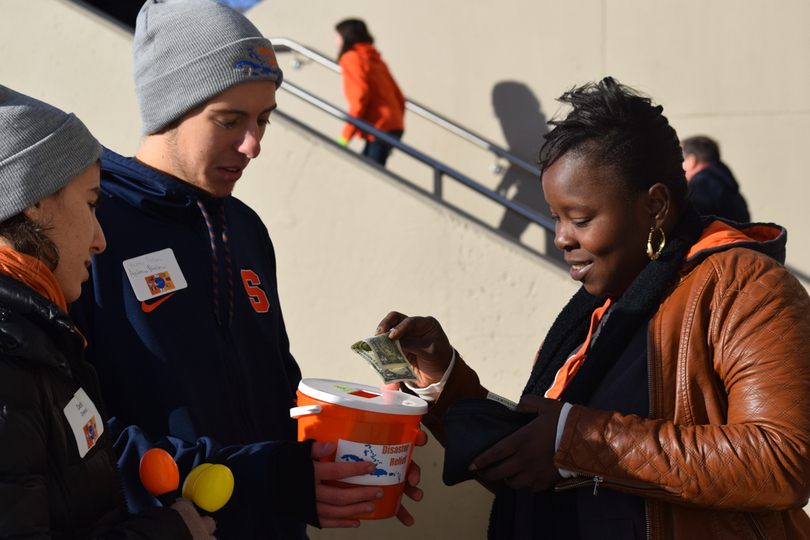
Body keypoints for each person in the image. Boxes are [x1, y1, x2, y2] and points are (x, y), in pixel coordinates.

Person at [376, 77, 810, 539]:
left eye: (580, 219)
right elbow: (534, 464)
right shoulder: (596, 312)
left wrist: (575, 440)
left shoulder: (746, 287)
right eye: (556, 217)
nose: (561, 238)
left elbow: (782, 461)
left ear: (656, 206)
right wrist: (445, 381)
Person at [70, 1, 423, 538]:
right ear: (168, 108)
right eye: (229, 120)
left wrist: (348, 460)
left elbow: (276, 387)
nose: (253, 145)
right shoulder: (92, 223)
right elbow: (77, 433)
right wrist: (261, 478)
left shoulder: (246, 228)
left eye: (263, 119)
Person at [0, 84, 217, 539]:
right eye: (91, 204)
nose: (100, 241)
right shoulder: (10, 353)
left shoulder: (35, 335)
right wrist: (171, 533)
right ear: (34, 203)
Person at [334, 18, 406, 167]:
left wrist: (344, 137)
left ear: (345, 36)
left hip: (379, 127)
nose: (335, 42)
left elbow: (359, 97)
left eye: (336, 37)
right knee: (365, 171)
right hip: (393, 125)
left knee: (369, 176)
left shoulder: (351, 58)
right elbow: (400, 97)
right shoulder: (376, 59)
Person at [681, 135, 750, 222]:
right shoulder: (726, 183)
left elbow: (691, 223)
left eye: (680, 159)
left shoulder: (700, 186)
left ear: (692, 161)